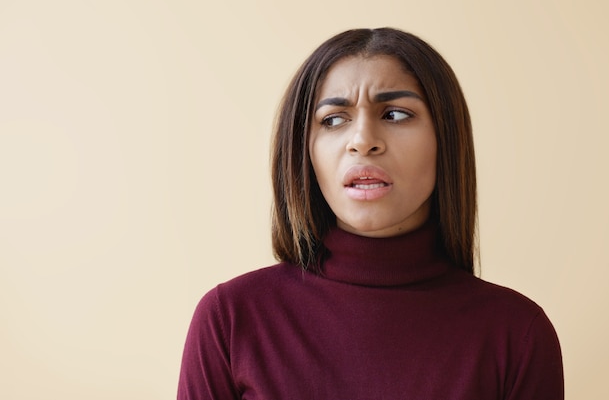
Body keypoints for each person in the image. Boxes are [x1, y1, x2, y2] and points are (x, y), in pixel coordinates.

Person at [177, 28, 564, 399]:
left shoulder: (518, 336)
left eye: (395, 114)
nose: (362, 141)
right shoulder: (229, 320)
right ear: (303, 151)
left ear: (446, 138)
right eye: (333, 120)